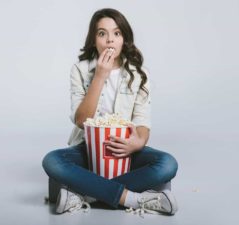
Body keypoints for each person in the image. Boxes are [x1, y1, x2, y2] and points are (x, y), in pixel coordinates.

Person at [42, 8, 179, 216]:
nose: (109, 40)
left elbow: (142, 123)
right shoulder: (80, 70)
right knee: (52, 161)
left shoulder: (139, 74)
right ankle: (136, 198)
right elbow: (81, 120)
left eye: (116, 33)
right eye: (102, 33)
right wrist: (99, 76)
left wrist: (137, 143)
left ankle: (81, 194)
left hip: (125, 151)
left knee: (167, 164)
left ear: (124, 39)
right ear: (93, 39)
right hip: (88, 150)